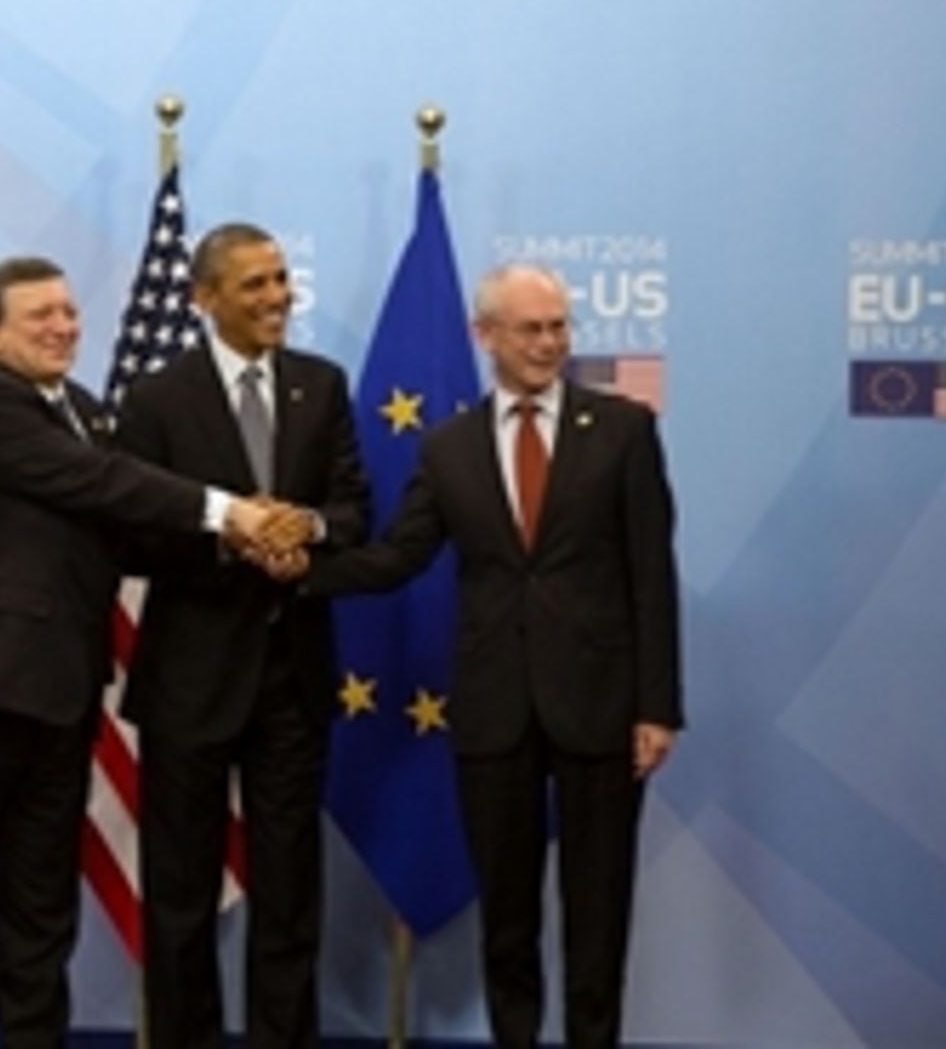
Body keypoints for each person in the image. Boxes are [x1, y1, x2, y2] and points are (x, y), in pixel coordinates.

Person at [0, 255, 283, 1049]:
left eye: (68, 312)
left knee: (41, 910)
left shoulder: (84, 409)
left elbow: (131, 530)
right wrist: (228, 511)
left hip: (60, 693)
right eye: (39, 315)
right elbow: (101, 482)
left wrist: (245, 545)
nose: (62, 326)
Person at [292, 263, 683, 1049]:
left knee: (598, 910)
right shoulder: (450, 446)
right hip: (494, 706)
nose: (548, 343)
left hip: (601, 703)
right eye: (530, 328)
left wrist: (657, 706)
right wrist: (305, 568)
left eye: (559, 327)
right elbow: (401, 554)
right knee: (506, 914)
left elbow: (651, 572)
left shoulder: (622, 429)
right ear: (486, 335)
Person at [115, 223, 369, 1049]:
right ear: (204, 297)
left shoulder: (321, 386)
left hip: (293, 676)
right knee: (180, 894)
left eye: (281, 278)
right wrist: (231, 539)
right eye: (255, 283)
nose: (277, 297)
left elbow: (353, 509)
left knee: (290, 893)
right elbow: (131, 534)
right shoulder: (157, 399)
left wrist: (308, 531)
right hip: (190, 678)